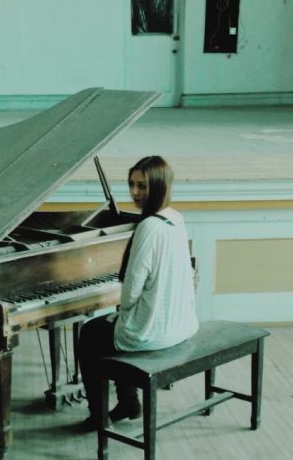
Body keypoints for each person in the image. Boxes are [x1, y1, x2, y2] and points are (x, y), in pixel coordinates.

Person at [77, 156, 199, 430]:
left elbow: (132, 289)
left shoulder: (149, 227)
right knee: (111, 326)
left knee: (89, 334)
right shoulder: (176, 219)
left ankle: (98, 416)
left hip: (153, 332)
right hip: (181, 324)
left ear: (158, 186)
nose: (134, 193)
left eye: (142, 186)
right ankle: (128, 403)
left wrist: (122, 312)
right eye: (131, 184)